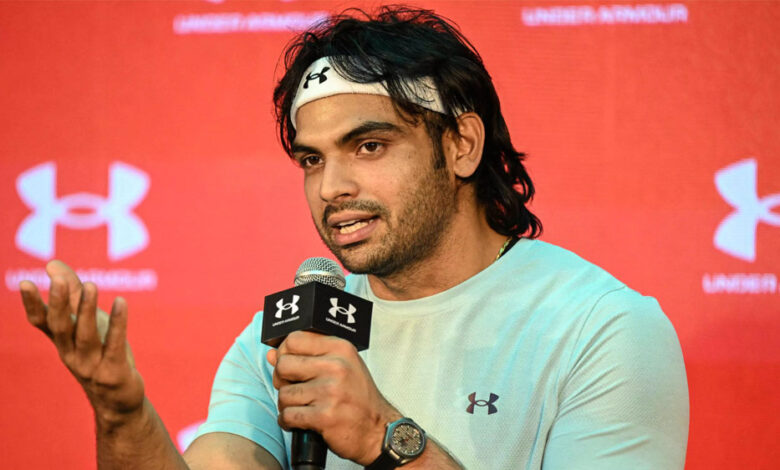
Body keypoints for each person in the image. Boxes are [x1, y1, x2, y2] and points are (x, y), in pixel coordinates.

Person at [19, 6, 688, 470]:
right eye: (312, 159)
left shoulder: (602, 328)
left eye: (369, 145)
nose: (331, 187)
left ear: (461, 144)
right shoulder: (286, 335)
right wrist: (121, 414)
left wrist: (381, 436)